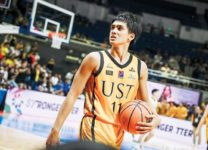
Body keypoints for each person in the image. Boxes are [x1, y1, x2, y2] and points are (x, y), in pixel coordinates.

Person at [46, 12, 161, 149]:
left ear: (131, 36)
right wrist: (55, 130)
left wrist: (157, 119)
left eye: (119, 28)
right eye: (112, 27)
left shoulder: (140, 67)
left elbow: (145, 102)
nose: (113, 31)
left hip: (118, 132)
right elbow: (72, 95)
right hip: (93, 127)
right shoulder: (94, 59)